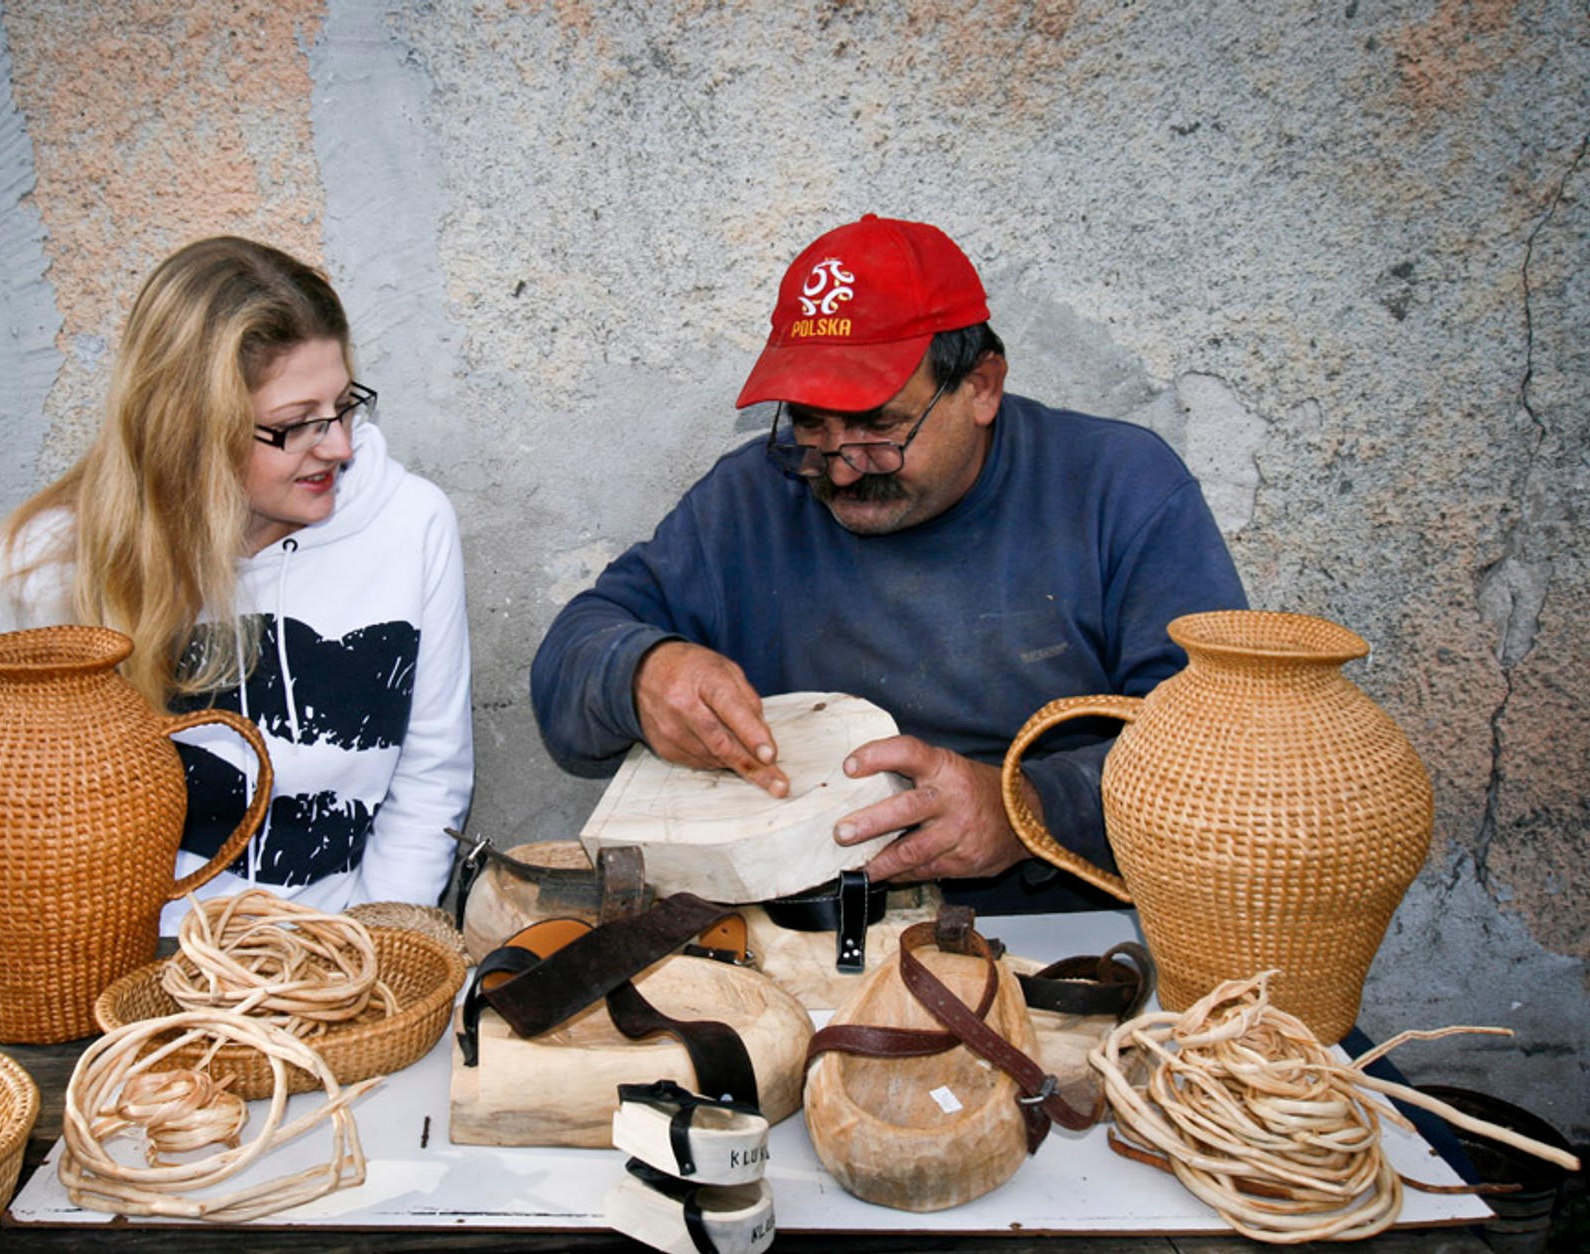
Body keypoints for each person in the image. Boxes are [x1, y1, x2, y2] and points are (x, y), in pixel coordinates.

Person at [530, 214, 1246, 913]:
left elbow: (1226, 749)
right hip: (796, 929)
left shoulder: (1118, 489)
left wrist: (1026, 810)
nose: (840, 470)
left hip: (1060, 928)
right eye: (810, 423)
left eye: (879, 425)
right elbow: (573, 658)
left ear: (982, 387)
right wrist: (638, 673)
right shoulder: (753, 496)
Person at [0, 236, 473, 928]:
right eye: (296, 426)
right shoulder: (43, 567)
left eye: (346, 405)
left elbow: (428, 779)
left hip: (342, 965)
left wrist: (371, 959)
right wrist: (85, 923)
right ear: (191, 428)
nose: (340, 446)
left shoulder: (409, 524)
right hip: (132, 973)